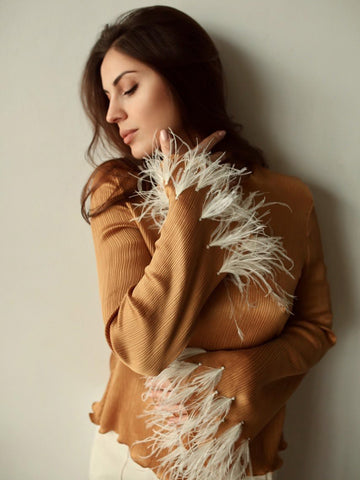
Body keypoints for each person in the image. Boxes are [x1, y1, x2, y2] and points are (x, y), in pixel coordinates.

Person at [79, 5, 337, 480]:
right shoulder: (120, 189)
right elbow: (142, 349)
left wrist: (240, 378)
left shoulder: (290, 198)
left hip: (242, 459)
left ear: (183, 78)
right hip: (137, 461)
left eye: (128, 88)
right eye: (107, 97)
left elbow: (317, 329)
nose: (113, 113)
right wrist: (190, 205)